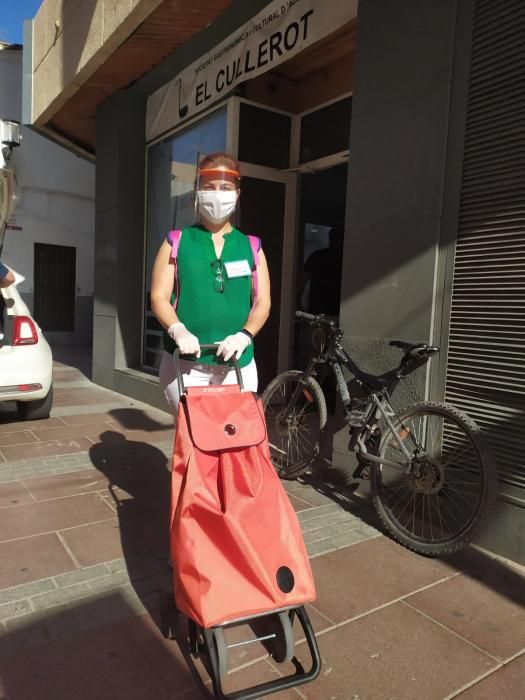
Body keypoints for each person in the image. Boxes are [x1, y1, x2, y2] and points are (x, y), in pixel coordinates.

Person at [151, 152, 271, 418]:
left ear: (237, 194)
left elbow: (263, 302)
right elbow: (159, 297)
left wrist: (245, 335)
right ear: (197, 193)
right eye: (209, 188)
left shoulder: (252, 246)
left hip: (238, 366)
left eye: (226, 188)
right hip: (185, 366)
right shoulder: (177, 241)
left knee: (232, 440)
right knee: (192, 439)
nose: (217, 194)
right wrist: (177, 329)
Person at [302, 225, 344, 316]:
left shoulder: (317, 256)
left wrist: (297, 301)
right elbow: (303, 279)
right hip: (338, 309)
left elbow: (302, 280)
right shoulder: (346, 259)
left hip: (317, 308)